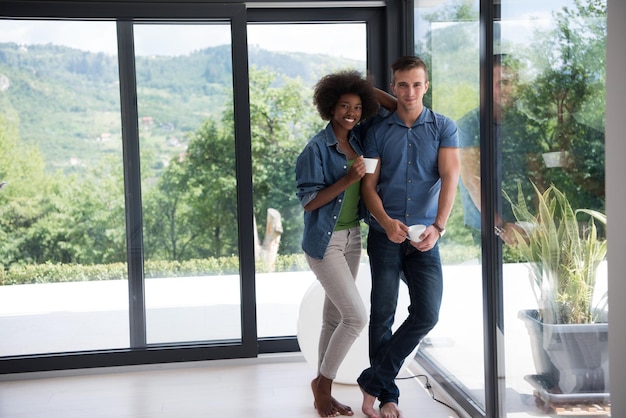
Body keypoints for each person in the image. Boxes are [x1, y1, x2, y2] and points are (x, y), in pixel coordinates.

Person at [357, 56, 460, 418]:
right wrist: (384, 221)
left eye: (417, 84)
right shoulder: (377, 132)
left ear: (426, 86)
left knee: (427, 313)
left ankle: (371, 380)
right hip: (384, 235)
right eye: (402, 85)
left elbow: (450, 179)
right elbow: (368, 185)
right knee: (382, 314)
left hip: (424, 237)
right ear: (394, 86)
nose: (410, 92)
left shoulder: (444, 128)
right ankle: (388, 396)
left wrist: (439, 227)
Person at [295, 70, 395, 418]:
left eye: (357, 106)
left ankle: (324, 386)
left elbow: (395, 107)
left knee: (333, 317)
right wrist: (347, 179)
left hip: (353, 238)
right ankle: (323, 384)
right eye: (343, 106)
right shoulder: (316, 148)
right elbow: (309, 201)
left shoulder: (361, 138)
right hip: (325, 243)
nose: (350, 113)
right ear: (329, 107)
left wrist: (365, 89)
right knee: (355, 317)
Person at [457, 54, 546, 245]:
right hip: (488, 228)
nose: (510, 89)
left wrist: (541, 219)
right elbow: (472, 182)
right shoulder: (468, 125)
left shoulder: (522, 124)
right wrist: (501, 226)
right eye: (502, 82)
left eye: (513, 82)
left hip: (525, 225)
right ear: (485, 86)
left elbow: (536, 175)